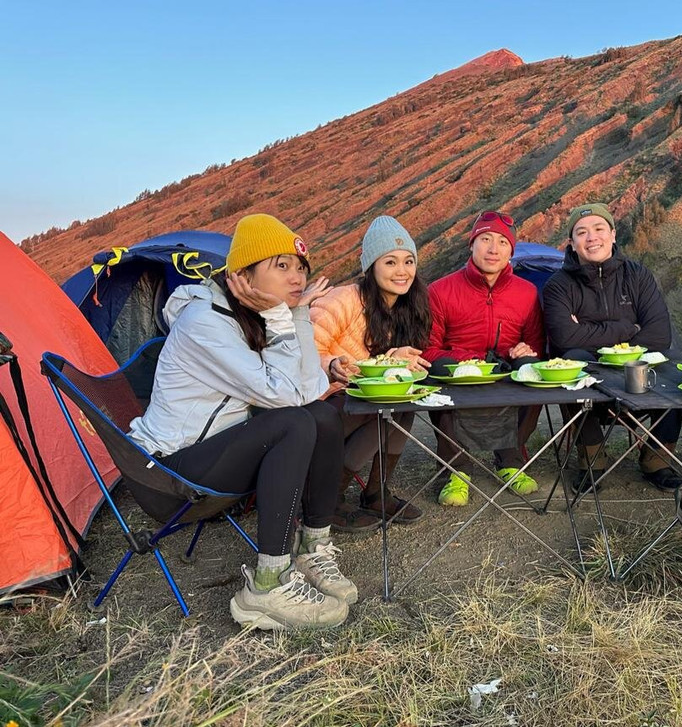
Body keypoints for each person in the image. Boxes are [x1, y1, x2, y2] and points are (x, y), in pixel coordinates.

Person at [128, 214, 357, 631]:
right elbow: (286, 397)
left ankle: (312, 548)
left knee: (322, 415)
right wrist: (287, 319)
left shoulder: (250, 316)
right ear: (242, 275)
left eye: (300, 267)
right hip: (166, 474)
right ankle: (267, 586)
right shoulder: (205, 324)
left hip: (212, 452)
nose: (296, 277)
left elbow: (308, 390)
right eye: (281, 265)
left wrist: (298, 317)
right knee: (294, 423)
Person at [543, 202, 682, 492]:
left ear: (613, 234)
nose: (591, 237)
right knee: (572, 362)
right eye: (581, 232)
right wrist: (627, 329)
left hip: (638, 372)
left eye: (598, 229)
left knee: (671, 364)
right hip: (589, 370)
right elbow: (564, 338)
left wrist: (587, 332)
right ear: (572, 243)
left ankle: (657, 460)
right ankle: (591, 461)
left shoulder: (638, 276)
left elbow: (658, 335)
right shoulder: (558, 285)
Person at [310, 215, 431, 532]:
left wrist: (394, 358)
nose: (401, 271)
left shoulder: (403, 309)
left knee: (405, 406)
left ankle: (376, 493)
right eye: (390, 262)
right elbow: (304, 348)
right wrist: (332, 364)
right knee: (377, 408)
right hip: (319, 400)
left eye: (408, 261)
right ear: (371, 267)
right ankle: (327, 498)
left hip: (354, 397)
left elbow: (371, 365)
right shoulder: (345, 299)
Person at [422, 210, 545, 506]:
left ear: (511, 251)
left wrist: (526, 351)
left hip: (504, 367)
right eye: (486, 239)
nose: (493, 248)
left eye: (503, 242)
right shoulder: (439, 290)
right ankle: (456, 469)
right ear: (472, 244)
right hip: (457, 366)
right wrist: (469, 361)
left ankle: (511, 460)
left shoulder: (526, 293)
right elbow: (427, 349)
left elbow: (537, 345)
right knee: (440, 369)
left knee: (532, 372)